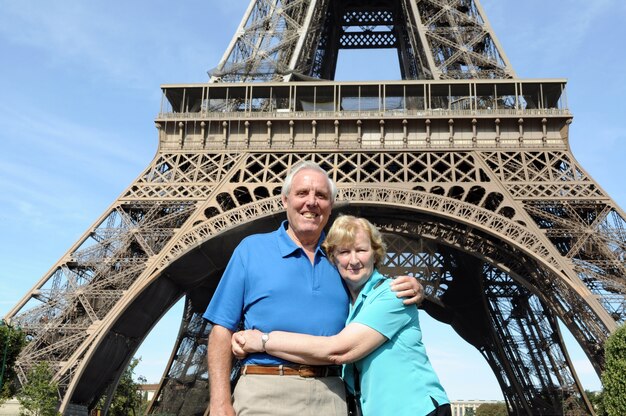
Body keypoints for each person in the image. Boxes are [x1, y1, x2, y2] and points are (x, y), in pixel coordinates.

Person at [203, 161, 423, 416]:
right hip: (264, 390)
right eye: (302, 193)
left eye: (321, 195)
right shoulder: (250, 250)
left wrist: (414, 286)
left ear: (330, 207)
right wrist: (220, 401)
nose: (311, 202)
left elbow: (375, 292)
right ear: (285, 200)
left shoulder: (339, 261)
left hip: (330, 395)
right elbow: (221, 328)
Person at [232, 215, 451, 416]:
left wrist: (262, 340)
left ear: (375, 254)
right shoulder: (347, 307)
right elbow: (319, 354)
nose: (353, 260)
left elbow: (339, 351)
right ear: (333, 258)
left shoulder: (393, 293)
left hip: (416, 410)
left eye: (361, 250)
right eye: (344, 252)